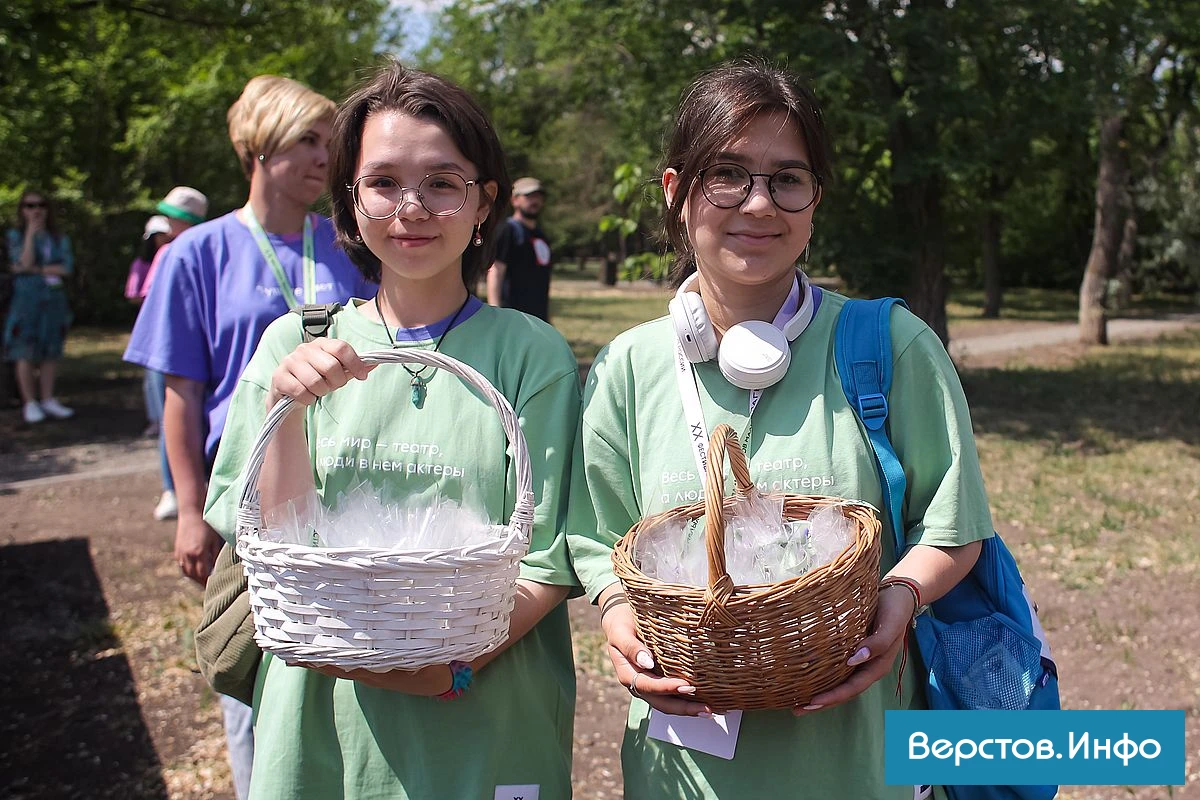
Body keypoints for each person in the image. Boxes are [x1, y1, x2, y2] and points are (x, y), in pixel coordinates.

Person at [566, 59, 992, 799]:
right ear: (677, 191)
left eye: (786, 179)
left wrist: (899, 602)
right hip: (683, 772)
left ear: (815, 200)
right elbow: (595, 539)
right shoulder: (627, 369)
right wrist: (616, 618)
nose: (758, 206)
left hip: (858, 763)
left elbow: (954, 528)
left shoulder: (892, 346)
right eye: (726, 175)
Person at [202, 61, 580, 799]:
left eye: (443, 183)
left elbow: (549, 557)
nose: (412, 208)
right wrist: (289, 414)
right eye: (383, 183)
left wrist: (450, 663)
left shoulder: (531, 354)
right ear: (350, 203)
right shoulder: (290, 346)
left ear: (483, 205)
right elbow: (269, 544)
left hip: (485, 716)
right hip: (325, 716)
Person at [122, 75, 375, 800]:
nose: (325, 156)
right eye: (306, 140)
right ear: (257, 148)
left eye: (331, 142)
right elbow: (181, 394)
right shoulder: (195, 255)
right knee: (253, 664)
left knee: (346, 666)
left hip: (349, 490)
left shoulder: (350, 245)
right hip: (248, 498)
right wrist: (192, 510)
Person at [127, 187, 211, 521]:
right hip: (168, 345)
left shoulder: (191, 249)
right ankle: (173, 488)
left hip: (186, 345)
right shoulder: (174, 250)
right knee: (170, 416)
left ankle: (184, 488)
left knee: (183, 415)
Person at [5, 190, 75, 424]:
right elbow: (22, 263)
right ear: (22, 210)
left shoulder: (58, 238)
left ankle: (47, 399)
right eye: (30, 206)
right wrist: (30, 236)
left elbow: (66, 268)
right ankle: (30, 402)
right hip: (26, 301)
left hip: (53, 300)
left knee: (51, 348)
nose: (36, 210)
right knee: (24, 349)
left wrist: (34, 270)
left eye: (41, 205)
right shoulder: (15, 235)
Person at [486, 176, 553, 320]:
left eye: (538, 196)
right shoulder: (508, 230)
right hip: (512, 316)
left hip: (538, 317)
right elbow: (495, 272)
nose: (535, 201)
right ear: (514, 200)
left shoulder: (541, 236)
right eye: (529, 196)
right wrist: (495, 314)